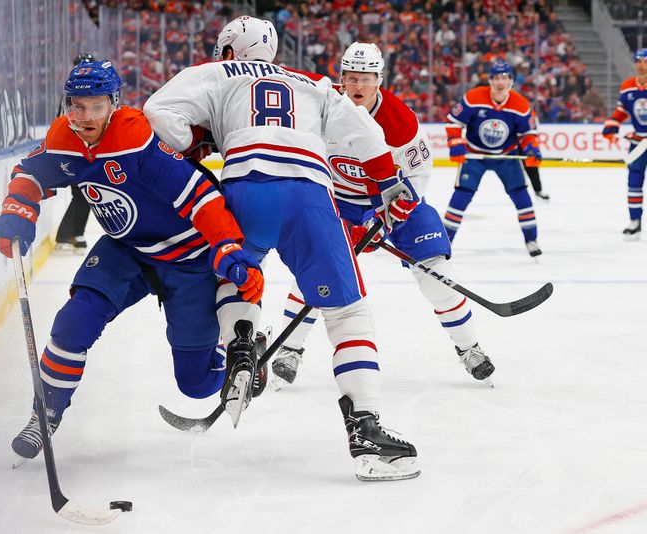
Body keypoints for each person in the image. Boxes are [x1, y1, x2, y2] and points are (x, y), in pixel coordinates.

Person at [145, 17, 420, 481]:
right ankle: (366, 428)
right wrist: (387, 188)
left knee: (237, 274)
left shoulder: (216, 73)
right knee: (348, 312)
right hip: (309, 195)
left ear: (231, 49)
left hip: (245, 190)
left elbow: (157, 112)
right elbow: (368, 138)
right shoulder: (314, 83)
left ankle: (240, 346)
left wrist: (199, 139)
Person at [0, 60, 264, 462]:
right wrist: (19, 203)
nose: (85, 117)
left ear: (114, 105)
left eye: (96, 107)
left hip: (187, 258)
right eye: (77, 106)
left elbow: (201, 196)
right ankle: (44, 414)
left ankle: (244, 353)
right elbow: (30, 171)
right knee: (74, 321)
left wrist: (226, 245)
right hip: (128, 251)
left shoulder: (136, 142)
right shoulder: (64, 137)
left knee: (197, 384)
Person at [270, 42, 494, 392]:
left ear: (379, 80)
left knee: (436, 273)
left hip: (391, 201)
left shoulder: (400, 121)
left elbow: (417, 177)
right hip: (340, 200)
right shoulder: (323, 108)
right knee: (314, 271)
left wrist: (389, 217)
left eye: (366, 78)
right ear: (341, 78)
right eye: (351, 77)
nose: (357, 85)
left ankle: (470, 348)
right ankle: (290, 348)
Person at [443, 59, 543, 257]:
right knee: (461, 196)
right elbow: (454, 123)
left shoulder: (521, 105)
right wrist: (456, 144)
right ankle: (445, 242)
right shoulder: (473, 98)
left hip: (507, 157)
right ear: (490, 81)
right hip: (475, 155)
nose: (500, 82)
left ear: (511, 82)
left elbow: (528, 134)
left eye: (505, 78)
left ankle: (531, 239)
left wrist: (532, 149)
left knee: (521, 195)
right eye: (496, 78)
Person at [603, 47, 647, 240]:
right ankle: (634, 221)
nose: (642, 65)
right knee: (634, 183)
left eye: (645, 61)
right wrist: (611, 127)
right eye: (638, 61)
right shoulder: (628, 86)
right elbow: (621, 111)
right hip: (637, 143)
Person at [54, 53, 96, 254]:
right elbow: (62, 124)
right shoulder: (70, 95)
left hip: (84, 151)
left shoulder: (93, 94)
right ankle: (72, 233)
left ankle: (68, 234)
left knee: (82, 193)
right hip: (74, 152)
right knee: (82, 193)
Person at [525, 111, 549, 201]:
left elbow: (534, 129)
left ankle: (538, 190)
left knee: (532, 167)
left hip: (528, 142)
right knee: (514, 170)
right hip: (515, 142)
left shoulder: (532, 113)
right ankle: (517, 192)